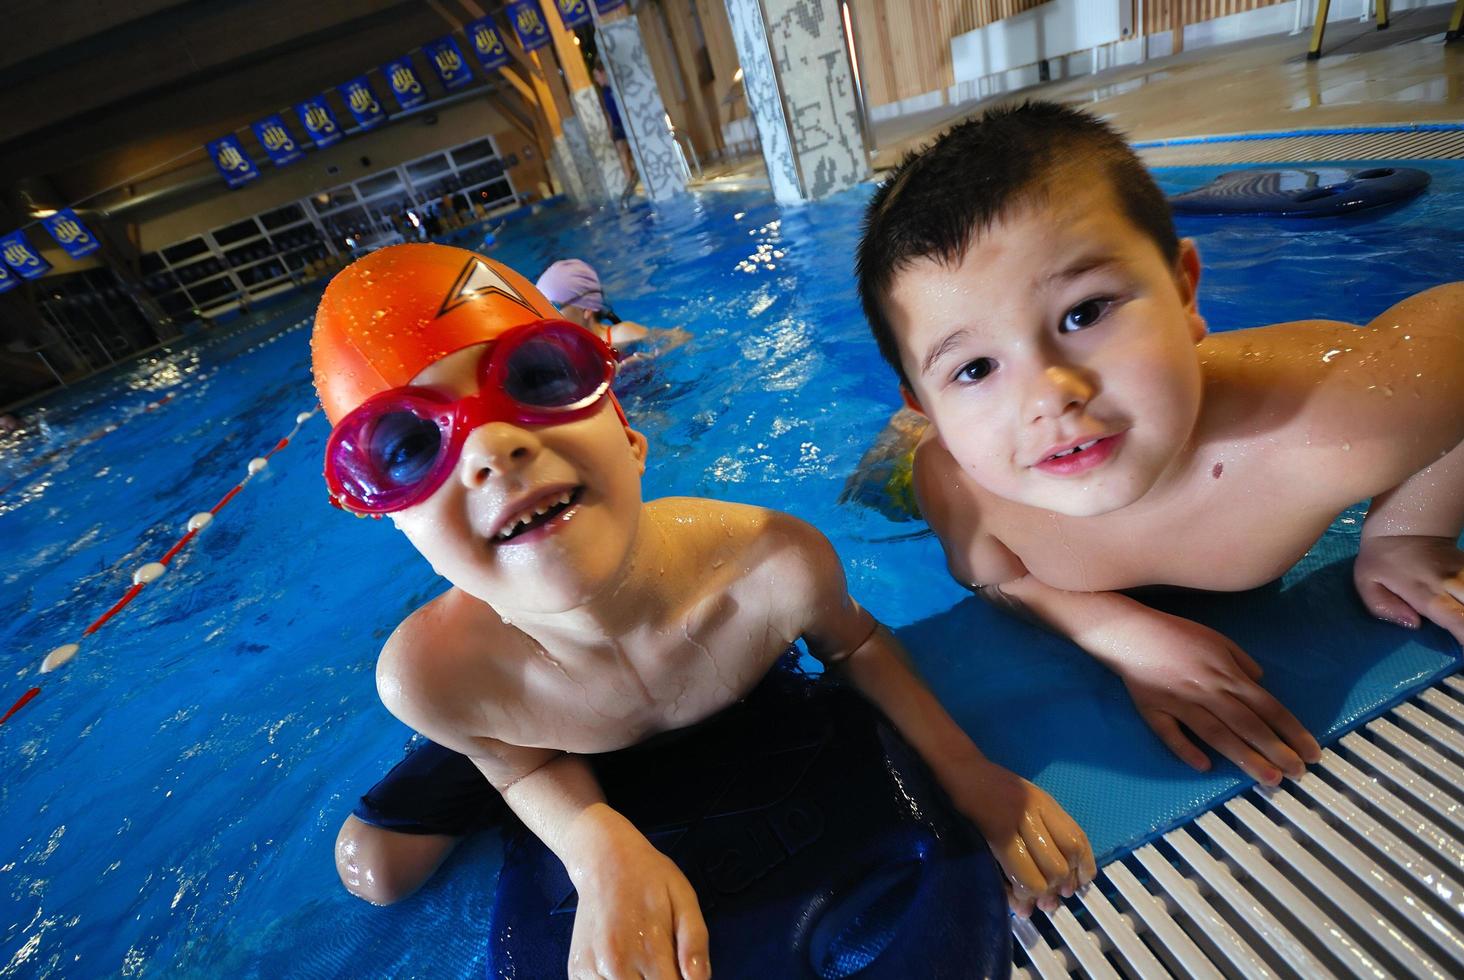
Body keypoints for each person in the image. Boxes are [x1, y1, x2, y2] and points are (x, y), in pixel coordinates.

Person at [317, 244, 1093, 977]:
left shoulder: (769, 567)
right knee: (374, 869)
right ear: (401, 532)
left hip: (693, 675)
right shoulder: (431, 677)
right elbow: (518, 766)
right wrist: (596, 850)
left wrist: (966, 771)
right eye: (409, 447)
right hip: (518, 701)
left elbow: (858, 647)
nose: (492, 447)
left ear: (630, 436)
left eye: (539, 379)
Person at [855, 100, 1464, 789]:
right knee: (877, 492)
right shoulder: (962, 485)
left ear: (1183, 289)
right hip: (948, 453)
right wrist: (1114, 633)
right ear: (926, 404)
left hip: (1250, 379)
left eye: (1083, 313)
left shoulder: (1332, 429)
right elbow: (994, 576)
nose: (1049, 396)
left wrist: (1411, 533)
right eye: (975, 369)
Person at [536, 257, 687, 356]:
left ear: (586, 309)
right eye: (539, 306)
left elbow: (681, 337)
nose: (545, 315)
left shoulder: (622, 335)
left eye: (554, 306)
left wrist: (649, 358)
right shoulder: (559, 352)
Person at [594, 63, 637, 196]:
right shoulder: (605, 91)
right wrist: (610, 128)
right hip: (617, 125)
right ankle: (630, 184)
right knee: (622, 155)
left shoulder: (614, 86)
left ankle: (637, 177)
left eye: (597, 75)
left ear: (603, 73)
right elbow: (608, 112)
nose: (596, 79)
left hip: (626, 122)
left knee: (632, 152)